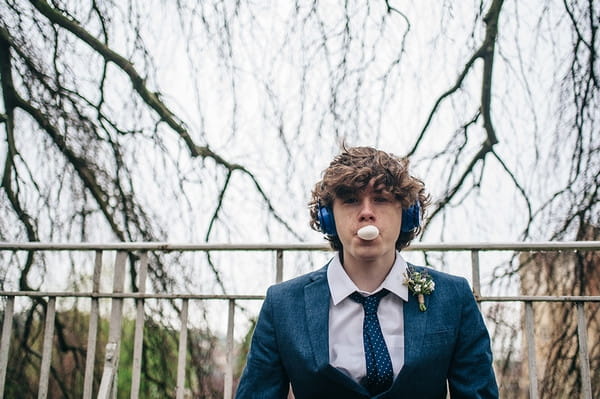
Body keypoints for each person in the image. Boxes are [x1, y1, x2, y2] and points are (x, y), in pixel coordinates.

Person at [236, 146, 498, 398]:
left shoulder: (454, 297)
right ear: (328, 217)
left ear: (408, 214)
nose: (366, 213)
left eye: (381, 199)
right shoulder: (282, 305)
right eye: (350, 200)